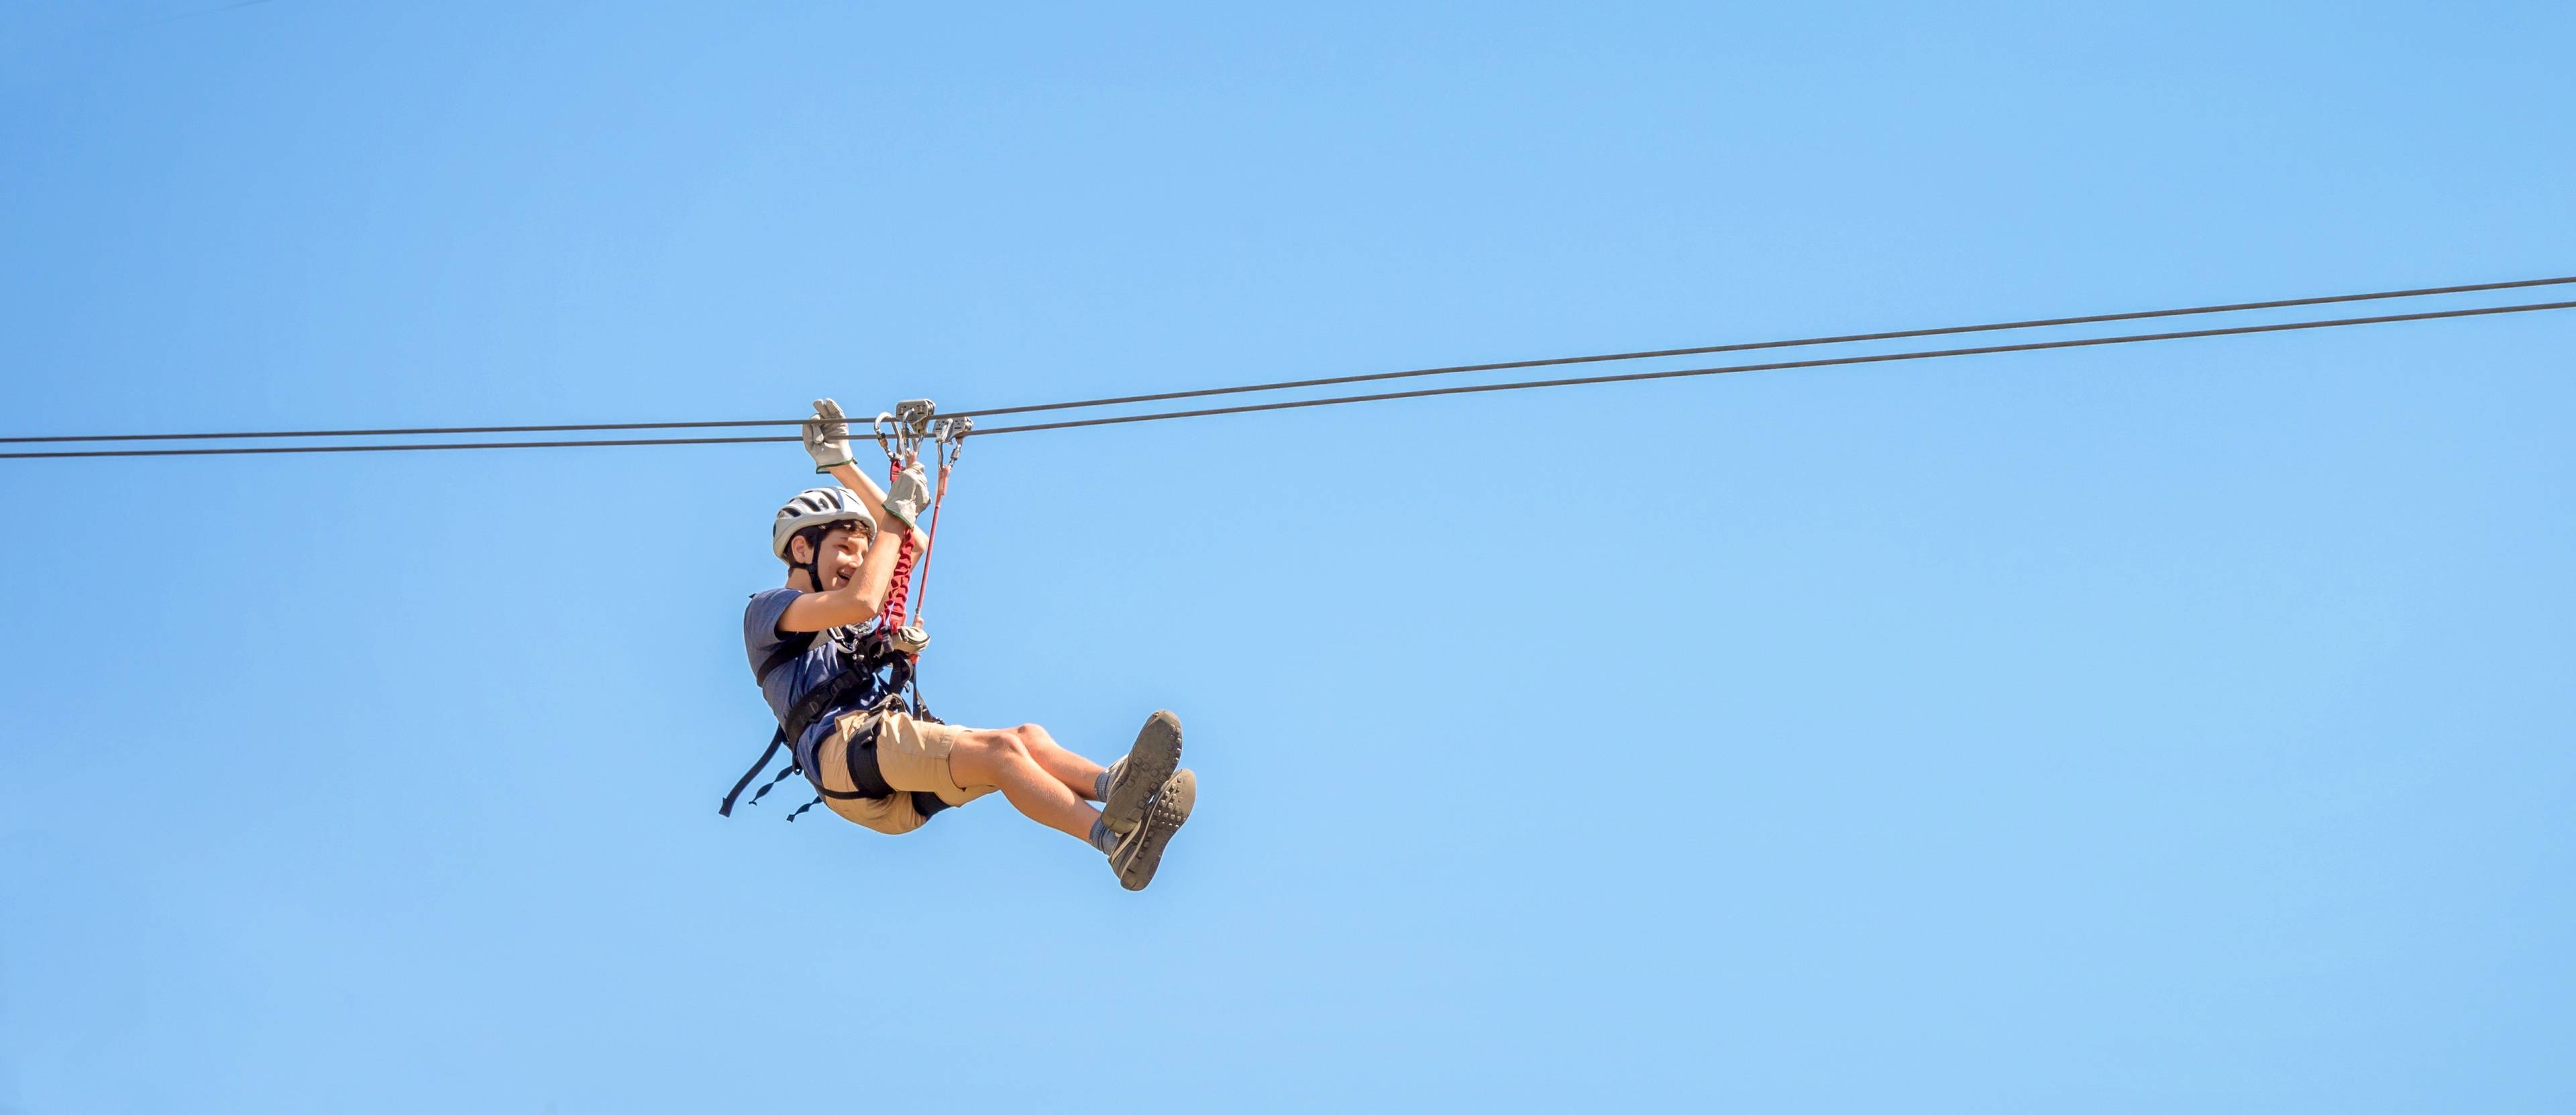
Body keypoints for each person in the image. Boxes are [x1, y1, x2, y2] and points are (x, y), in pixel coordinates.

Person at [741, 399, 1195, 890]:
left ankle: (1113, 787)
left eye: (860, 550)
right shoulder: (768, 609)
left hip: (881, 779)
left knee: (1025, 738)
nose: (855, 559)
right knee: (1000, 750)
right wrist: (894, 513)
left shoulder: (844, 619)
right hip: (847, 753)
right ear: (802, 549)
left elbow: (909, 545)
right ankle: (1112, 842)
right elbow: (866, 599)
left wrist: (844, 469)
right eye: (843, 549)